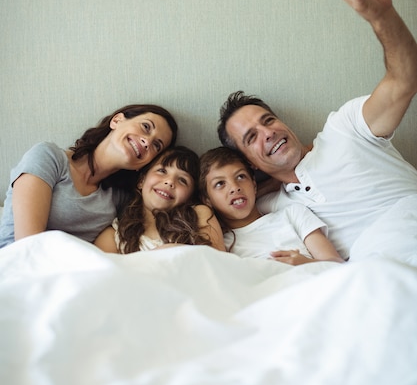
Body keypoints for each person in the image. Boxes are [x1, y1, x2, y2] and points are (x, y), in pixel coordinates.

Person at [217, 0, 417, 260]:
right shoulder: (273, 207)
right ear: (250, 164)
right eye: (251, 137)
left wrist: (381, 16)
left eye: (267, 120)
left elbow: (405, 79)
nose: (267, 133)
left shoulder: (344, 129)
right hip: (378, 277)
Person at [0, 103, 178, 248]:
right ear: (117, 120)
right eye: (146, 127)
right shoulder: (49, 157)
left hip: (71, 280)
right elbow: (27, 245)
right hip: (16, 270)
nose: (147, 141)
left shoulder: (119, 198)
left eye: (157, 145)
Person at [199, 147, 344, 265]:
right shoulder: (221, 245)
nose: (234, 187)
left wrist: (305, 263)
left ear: (254, 185)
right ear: (207, 200)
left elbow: (336, 264)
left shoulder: (292, 214)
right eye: (220, 184)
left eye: (241, 177)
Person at [94, 146, 226, 253]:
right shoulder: (114, 236)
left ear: (189, 197)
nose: (170, 182)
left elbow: (216, 263)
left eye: (182, 180)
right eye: (162, 171)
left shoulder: (199, 214)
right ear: (141, 180)